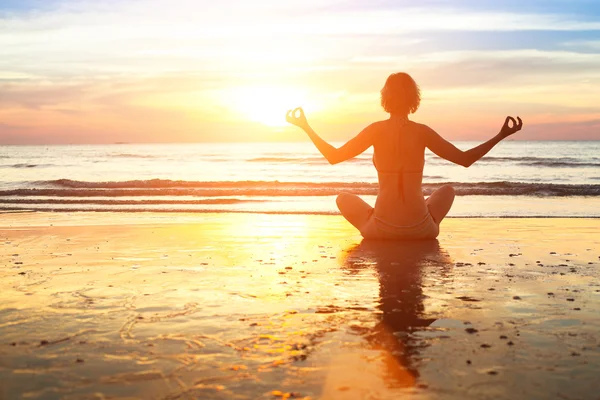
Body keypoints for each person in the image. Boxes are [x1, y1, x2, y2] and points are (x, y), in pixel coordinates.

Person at [285, 72, 523, 239]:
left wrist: (306, 127)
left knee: (342, 198)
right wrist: (501, 135)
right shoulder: (422, 132)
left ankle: (374, 218)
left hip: (380, 231)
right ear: (413, 99)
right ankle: (423, 217)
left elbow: (334, 156)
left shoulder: (375, 130)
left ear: (385, 98)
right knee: (448, 191)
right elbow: (465, 159)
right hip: (421, 231)